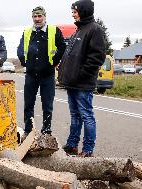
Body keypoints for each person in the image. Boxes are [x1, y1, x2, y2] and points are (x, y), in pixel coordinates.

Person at [58, 0, 106, 157]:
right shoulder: (78, 30)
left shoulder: (95, 29)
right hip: (72, 82)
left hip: (82, 83)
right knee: (75, 115)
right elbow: (71, 55)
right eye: (72, 11)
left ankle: (88, 149)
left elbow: (97, 57)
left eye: (75, 11)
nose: (73, 13)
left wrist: (81, 74)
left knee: (87, 115)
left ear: (84, 11)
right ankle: (72, 145)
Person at [17, 6, 66, 138]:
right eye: (35, 16)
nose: (37, 19)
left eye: (40, 16)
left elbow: (62, 47)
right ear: (32, 17)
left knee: (47, 104)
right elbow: (20, 49)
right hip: (31, 75)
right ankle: (28, 130)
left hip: (47, 75)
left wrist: (54, 61)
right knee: (28, 104)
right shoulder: (27, 32)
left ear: (44, 17)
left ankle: (46, 130)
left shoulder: (54, 31)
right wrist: (24, 62)